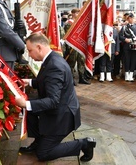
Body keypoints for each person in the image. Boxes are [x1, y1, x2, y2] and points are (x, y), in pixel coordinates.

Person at [15, 32, 96, 162]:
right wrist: (29, 82)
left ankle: (84, 144)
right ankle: (38, 141)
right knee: (31, 110)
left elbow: (53, 101)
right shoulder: (51, 58)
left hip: (63, 115)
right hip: (58, 107)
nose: (29, 54)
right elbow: (46, 80)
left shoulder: (54, 66)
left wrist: (25, 104)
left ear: (39, 47)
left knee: (44, 154)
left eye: (30, 50)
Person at [63, 8, 90, 85]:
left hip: (80, 45)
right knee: (71, 62)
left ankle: (82, 77)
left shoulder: (79, 22)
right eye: (77, 13)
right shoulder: (69, 23)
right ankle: (71, 79)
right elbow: (68, 35)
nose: (78, 14)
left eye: (79, 13)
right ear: (73, 14)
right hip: (72, 46)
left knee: (81, 61)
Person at [119, 13, 136, 82]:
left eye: (133, 18)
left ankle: (131, 75)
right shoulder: (124, 27)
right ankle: (127, 75)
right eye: (132, 18)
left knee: (134, 60)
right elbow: (120, 36)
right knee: (127, 60)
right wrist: (125, 39)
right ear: (129, 19)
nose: (133, 19)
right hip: (127, 46)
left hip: (135, 45)